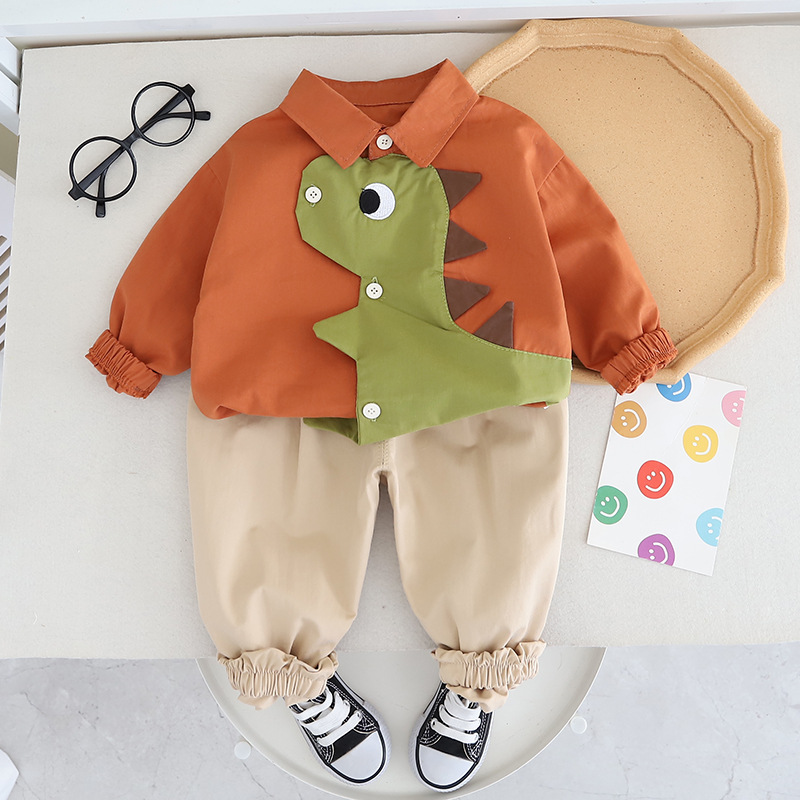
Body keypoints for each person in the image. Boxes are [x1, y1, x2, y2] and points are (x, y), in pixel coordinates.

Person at [87, 60, 676, 791]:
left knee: (493, 535)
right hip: (284, 398)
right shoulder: (259, 150)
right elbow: (186, 245)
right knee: (269, 536)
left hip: (476, 388)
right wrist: (137, 346)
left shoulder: (510, 140)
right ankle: (295, 678)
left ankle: (478, 680)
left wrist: (624, 336)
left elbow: (578, 232)